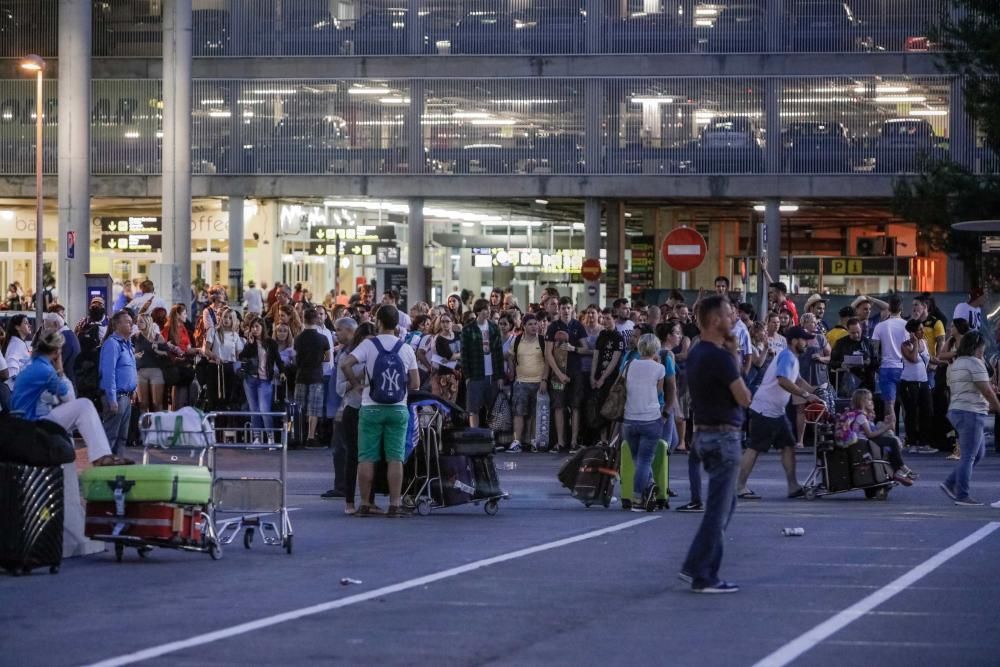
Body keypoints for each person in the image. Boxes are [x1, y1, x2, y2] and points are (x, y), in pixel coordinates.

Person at [679, 295, 751, 593]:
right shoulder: (720, 357)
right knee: (719, 510)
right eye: (727, 314)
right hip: (724, 436)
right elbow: (744, 397)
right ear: (714, 320)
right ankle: (703, 573)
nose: (732, 318)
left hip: (704, 433)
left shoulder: (697, 352)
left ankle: (696, 564)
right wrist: (733, 354)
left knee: (726, 504)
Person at [339, 305, 419, 518]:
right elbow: (416, 383)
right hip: (397, 408)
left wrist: (357, 384)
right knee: (395, 457)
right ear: (397, 324)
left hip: (371, 406)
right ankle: (394, 504)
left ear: (379, 322)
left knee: (366, 456)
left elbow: (346, 364)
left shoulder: (369, 345)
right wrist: (400, 391)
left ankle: (364, 504)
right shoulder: (406, 348)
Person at [12, 331, 131, 466]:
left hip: (24, 422)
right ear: (57, 351)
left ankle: (73, 479)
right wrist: (60, 369)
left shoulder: (32, 365)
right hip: (34, 424)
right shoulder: (45, 370)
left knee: (72, 426)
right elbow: (69, 398)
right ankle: (101, 455)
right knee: (84, 405)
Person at [737, 326, 821, 500]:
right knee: (754, 448)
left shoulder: (791, 358)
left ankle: (793, 486)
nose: (806, 343)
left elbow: (796, 379)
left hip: (776, 411)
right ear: (794, 341)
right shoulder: (787, 356)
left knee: (788, 446)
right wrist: (806, 395)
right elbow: (783, 380)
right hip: (765, 410)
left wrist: (814, 389)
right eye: (804, 339)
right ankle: (739, 486)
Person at [940, 331, 1000, 506]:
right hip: (971, 412)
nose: (983, 352)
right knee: (969, 456)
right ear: (976, 347)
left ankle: (950, 483)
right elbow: (986, 390)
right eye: (982, 348)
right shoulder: (975, 363)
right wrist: (997, 406)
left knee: (978, 452)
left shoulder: (958, 362)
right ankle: (962, 495)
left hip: (958, 409)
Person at [622, 333, 666, 511]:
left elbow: (625, 388)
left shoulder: (629, 365)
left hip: (630, 417)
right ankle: (638, 497)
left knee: (636, 458)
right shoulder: (659, 368)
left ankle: (650, 486)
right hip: (651, 418)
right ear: (656, 349)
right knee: (645, 460)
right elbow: (660, 391)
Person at [837, 389, 916, 486]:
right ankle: (902, 468)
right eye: (869, 400)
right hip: (864, 444)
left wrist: (885, 425)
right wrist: (886, 427)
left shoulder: (859, 414)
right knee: (892, 442)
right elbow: (870, 434)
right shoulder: (861, 416)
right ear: (862, 402)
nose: (871, 402)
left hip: (864, 442)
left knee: (891, 443)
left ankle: (897, 471)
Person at [544, 297, 588, 452]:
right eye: (563, 308)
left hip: (576, 371)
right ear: (559, 309)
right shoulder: (553, 326)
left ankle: (574, 442)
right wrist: (558, 374)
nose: (565, 311)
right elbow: (548, 353)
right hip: (558, 372)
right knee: (558, 406)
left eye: (568, 308)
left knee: (575, 407)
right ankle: (560, 442)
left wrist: (573, 348)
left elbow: (587, 349)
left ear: (572, 309)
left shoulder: (578, 326)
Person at [99, 310, 138, 457]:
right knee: (111, 436)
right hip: (117, 397)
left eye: (131, 321)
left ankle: (118, 468)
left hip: (126, 397)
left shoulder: (128, 344)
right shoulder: (112, 344)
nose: (131, 324)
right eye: (127, 322)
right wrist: (112, 398)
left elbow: (130, 369)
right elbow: (109, 373)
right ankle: (103, 468)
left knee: (122, 438)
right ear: (117, 325)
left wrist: (134, 390)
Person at [461, 299, 504, 429]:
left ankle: (492, 437)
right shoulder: (468, 329)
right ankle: (475, 435)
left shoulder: (494, 327)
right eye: (485, 309)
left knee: (493, 408)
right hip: (476, 374)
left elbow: (498, 353)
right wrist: (467, 376)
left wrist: (500, 376)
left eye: (489, 308)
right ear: (478, 311)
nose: (488, 311)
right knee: (473, 409)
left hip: (492, 374)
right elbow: (464, 354)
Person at [239, 318, 283, 444]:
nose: (254, 329)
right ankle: (257, 438)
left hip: (265, 379)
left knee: (265, 409)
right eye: (253, 327)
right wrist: (249, 343)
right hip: (250, 379)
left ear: (263, 328)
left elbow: (278, 359)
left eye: (257, 327)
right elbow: (242, 357)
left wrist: (282, 371)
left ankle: (270, 437)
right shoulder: (250, 343)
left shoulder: (270, 343)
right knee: (254, 409)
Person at [293, 309, 331, 448]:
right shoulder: (322, 338)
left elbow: (295, 357)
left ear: (303, 318)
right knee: (314, 408)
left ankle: (298, 436)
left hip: (301, 375)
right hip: (316, 375)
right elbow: (328, 357)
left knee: (299, 407)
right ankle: (310, 436)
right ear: (316, 319)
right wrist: (318, 358)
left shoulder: (298, 338)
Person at [510, 314, 548, 452]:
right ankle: (517, 441)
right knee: (518, 413)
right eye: (530, 324)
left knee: (534, 414)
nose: (534, 327)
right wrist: (512, 373)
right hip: (521, 382)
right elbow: (511, 357)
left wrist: (544, 380)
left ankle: (533, 440)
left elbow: (548, 362)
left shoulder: (543, 341)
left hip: (538, 382)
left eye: (535, 324)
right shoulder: (517, 340)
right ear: (524, 326)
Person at [793, 313, 830, 448]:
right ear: (803, 324)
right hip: (802, 377)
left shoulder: (820, 338)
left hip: (819, 377)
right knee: (800, 409)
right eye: (811, 322)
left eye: (815, 322)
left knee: (821, 409)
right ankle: (800, 440)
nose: (814, 324)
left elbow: (829, 356)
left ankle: (820, 439)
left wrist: (821, 358)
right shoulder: (798, 339)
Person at [900, 318, 936, 454]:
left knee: (927, 410)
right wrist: (914, 342)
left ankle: (924, 441)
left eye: (922, 329)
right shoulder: (905, 345)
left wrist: (943, 361)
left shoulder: (924, 342)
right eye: (920, 329)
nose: (923, 331)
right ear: (912, 332)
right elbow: (914, 359)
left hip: (923, 381)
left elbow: (930, 358)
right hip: (909, 382)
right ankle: (911, 441)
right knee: (911, 412)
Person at [132, 313, 171, 414]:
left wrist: (158, 351)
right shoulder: (135, 337)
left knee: (157, 404)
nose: (138, 324)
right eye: (137, 321)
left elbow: (168, 353)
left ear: (148, 323)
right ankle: (144, 428)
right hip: (140, 372)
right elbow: (128, 351)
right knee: (142, 404)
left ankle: (158, 428)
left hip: (156, 371)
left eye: (141, 321)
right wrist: (134, 355)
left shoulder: (158, 337)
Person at [830, 318, 876, 397]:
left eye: (858, 332)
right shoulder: (841, 343)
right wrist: (842, 364)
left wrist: (869, 362)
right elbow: (832, 362)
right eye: (853, 333)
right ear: (847, 331)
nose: (856, 335)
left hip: (866, 381)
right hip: (847, 382)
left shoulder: (867, 342)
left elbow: (876, 361)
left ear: (861, 329)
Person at [2, 313, 32, 388]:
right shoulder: (16, 344)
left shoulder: (18, 342)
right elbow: (12, 371)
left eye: (28, 323)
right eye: (25, 323)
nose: (29, 325)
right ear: (17, 327)